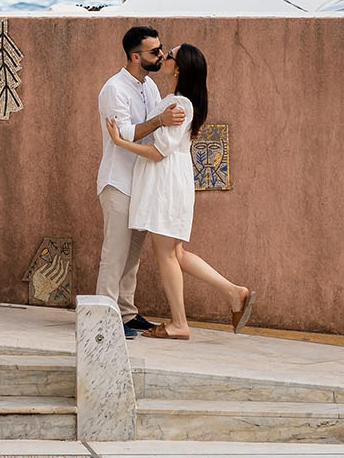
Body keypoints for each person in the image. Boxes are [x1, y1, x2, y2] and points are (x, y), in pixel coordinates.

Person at [106, 41, 255, 340]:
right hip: (172, 181)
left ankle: (179, 323)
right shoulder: (179, 101)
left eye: (169, 55)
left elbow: (159, 151)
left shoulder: (178, 102)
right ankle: (233, 292)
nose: (164, 57)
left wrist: (120, 142)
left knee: (167, 256)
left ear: (179, 67)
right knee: (177, 253)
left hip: (165, 184)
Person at [96, 25, 187, 337]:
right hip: (118, 182)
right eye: (154, 51)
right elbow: (124, 133)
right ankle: (105, 318)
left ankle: (126, 312)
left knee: (132, 256)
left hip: (142, 183)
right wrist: (160, 121)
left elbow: (159, 132)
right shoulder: (114, 89)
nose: (161, 55)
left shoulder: (148, 86)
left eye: (161, 49)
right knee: (116, 253)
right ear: (135, 56)